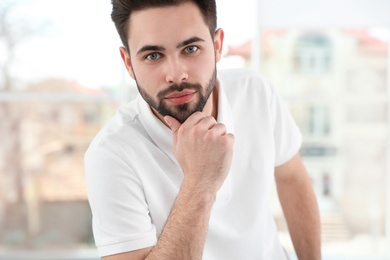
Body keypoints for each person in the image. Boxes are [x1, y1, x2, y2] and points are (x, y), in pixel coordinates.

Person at [84, 0, 321, 259]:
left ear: (217, 46)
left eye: (191, 48)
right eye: (153, 55)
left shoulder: (255, 92)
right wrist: (200, 183)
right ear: (128, 63)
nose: (176, 75)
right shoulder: (110, 154)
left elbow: (292, 178)